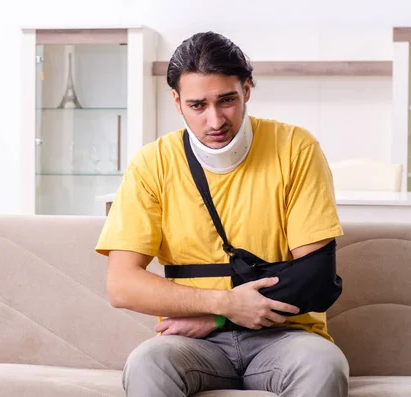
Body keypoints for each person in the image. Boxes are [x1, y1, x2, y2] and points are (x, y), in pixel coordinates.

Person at [94, 31, 349, 397]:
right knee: (147, 363)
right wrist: (224, 305)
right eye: (198, 105)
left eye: (226, 100)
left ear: (246, 90)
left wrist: (215, 317)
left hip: (286, 337)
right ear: (177, 102)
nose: (215, 121)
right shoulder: (152, 164)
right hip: (194, 344)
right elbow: (121, 285)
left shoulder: (296, 148)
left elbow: (316, 278)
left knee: (325, 364)